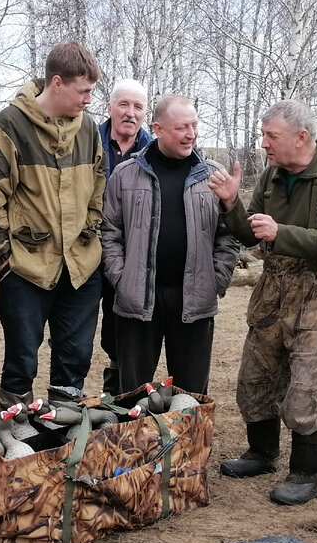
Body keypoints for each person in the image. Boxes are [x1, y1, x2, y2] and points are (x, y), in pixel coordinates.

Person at [209, 99, 317, 506]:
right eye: (262, 135)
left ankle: (306, 472)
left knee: (305, 382)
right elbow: (251, 233)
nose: (263, 144)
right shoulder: (273, 175)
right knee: (255, 376)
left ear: (301, 137)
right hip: (274, 287)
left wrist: (282, 233)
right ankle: (261, 453)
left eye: (270, 136)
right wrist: (230, 203)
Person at [0, 41, 105, 408]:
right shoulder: (7, 127)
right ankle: (17, 432)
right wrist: (3, 257)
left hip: (80, 268)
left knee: (74, 357)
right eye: (84, 91)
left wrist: (90, 231)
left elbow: (99, 186)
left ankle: (62, 433)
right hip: (27, 268)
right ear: (57, 83)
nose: (88, 100)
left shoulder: (89, 129)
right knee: (21, 359)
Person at [101, 95, 238, 394]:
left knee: (191, 396)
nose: (191, 134)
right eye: (182, 127)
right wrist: (121, 279)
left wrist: (216, 279)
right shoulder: (125, 174)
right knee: (132, 394)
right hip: (138, 299)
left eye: (194, 125)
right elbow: (110, 231)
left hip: (195, 299)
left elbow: (228, 234)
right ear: (158, 129)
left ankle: (188, 442)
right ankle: (134, 441)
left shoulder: (213, 175)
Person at [97, 79, 153, 393]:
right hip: (88, 253)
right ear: (110, 108)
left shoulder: (152, 151)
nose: (130, 113)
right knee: (76, 335)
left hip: (130, 259)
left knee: (123, 334)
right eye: (124, 105)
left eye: (137, 107)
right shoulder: (88, 140)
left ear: (145, 114)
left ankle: (119, 395)